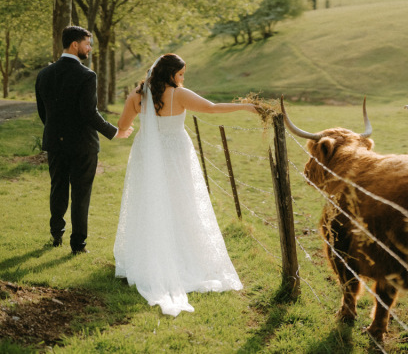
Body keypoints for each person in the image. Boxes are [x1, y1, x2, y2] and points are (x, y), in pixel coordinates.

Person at [113, 53, 257, 316]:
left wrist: (130, 129)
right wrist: (245, 107)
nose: (182, 78)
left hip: (146, 155)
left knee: (149, 201)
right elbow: (211, 108)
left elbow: (123, 127)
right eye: (180, 74)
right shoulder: (179, 94)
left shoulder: (136, 96)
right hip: (176, 155)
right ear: (169, 74)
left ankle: (148, 258)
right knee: (181, 202)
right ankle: (183, 257)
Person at [35, 26, 134, 254]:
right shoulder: (87, 75)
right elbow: (90, 113)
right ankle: (78, 245)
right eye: (87, 44)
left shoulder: (44, 74)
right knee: (81, 194)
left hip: (55, 142)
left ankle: (56, 234)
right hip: (83, 145)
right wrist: (114, 132)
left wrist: (56, 131)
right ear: (74, 45)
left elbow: (44, 113)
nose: (90, 49)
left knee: (57, 188)